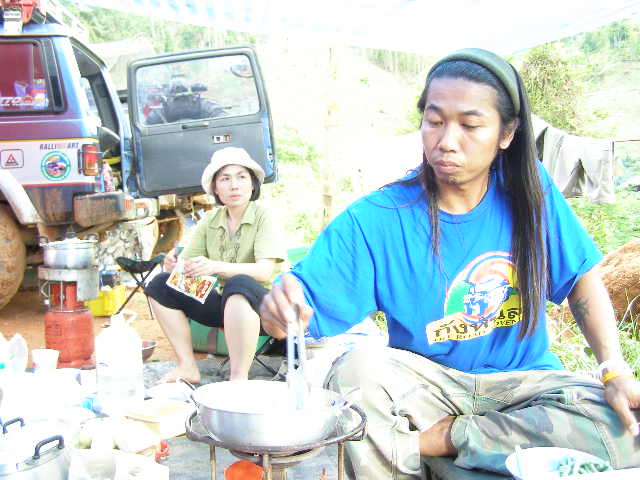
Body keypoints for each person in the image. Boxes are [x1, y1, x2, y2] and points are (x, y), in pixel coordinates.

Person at [260, 48, 640, 478]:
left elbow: (581, 280)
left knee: (626, 424)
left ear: (507, 133)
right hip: (427, 388)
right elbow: (295, 315)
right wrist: (279, 309)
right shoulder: (377, 218)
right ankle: (451, 449)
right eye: (435, 121)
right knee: (355, 375)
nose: (446, 141)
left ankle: (436, 443)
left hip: (525, 387)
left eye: (470, 125)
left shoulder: (531, 192)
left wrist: (613, 370)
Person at [146, 146, 285, 384]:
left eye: (241, 177)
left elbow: (264, 271)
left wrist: (214, 267)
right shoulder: (210, 220)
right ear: (216, 189)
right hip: (222, 304)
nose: (234, 185)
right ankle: (187, 366)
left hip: (264, 310)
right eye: (225, 179)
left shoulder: (264, 215)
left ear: (253, 185)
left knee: (239, 284)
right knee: (160, 285)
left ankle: (238, 379)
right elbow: (188, 266)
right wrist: (174, 265)